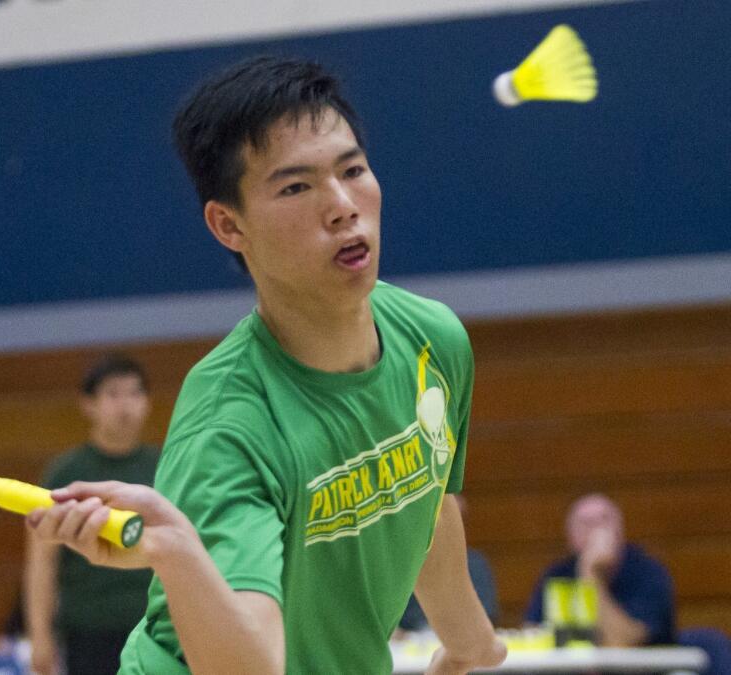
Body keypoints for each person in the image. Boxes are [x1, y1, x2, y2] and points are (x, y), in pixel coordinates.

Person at [26, 56, 505, 674]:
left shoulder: (433, 340)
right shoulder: (229, 426)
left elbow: (423, 501)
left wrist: (471, 642)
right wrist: (178, 555)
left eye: (352, 169)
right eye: (296, 187)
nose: (342, 206)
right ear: (229, 225)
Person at [23, 354, 159, 675]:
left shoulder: (165, 466)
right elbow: (42, 560)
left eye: (134, 393)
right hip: (87, 634)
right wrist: (39, 635)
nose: (125, 405)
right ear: (89, 404)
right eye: (113, 394)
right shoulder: (67, 473)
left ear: (147, 403)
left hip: (157, 628)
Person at [524, 493, 675, 646]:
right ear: (571, 536)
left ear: (620, 530)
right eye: (586, 523)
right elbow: (534, 634)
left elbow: (625, 643)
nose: (596, 531)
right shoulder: (557, 574)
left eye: (603, 520)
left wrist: (590, 573)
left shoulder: (648, 572)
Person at [398, 495, 500, 632]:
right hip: (412, 641)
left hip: (462, 637)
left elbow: (486, 615)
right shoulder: (409, 564)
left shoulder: (475, 564)